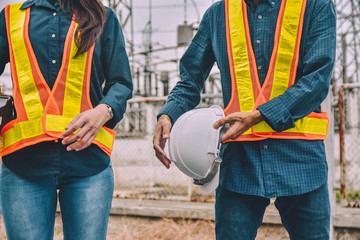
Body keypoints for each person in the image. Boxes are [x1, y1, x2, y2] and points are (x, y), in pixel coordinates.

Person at [153, 0, 336, 239]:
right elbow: (190, 79)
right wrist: (168, 114)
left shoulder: (315, 5)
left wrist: (260, 115)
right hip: (241, 162)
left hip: (300, 159)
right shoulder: (218, 15)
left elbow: (318, 79)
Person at [0, 0, 132, 239]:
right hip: (23, 163)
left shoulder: (103, 17)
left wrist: (104, 110)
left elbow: (121, 82)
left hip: (88, 163)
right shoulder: (10, 18)